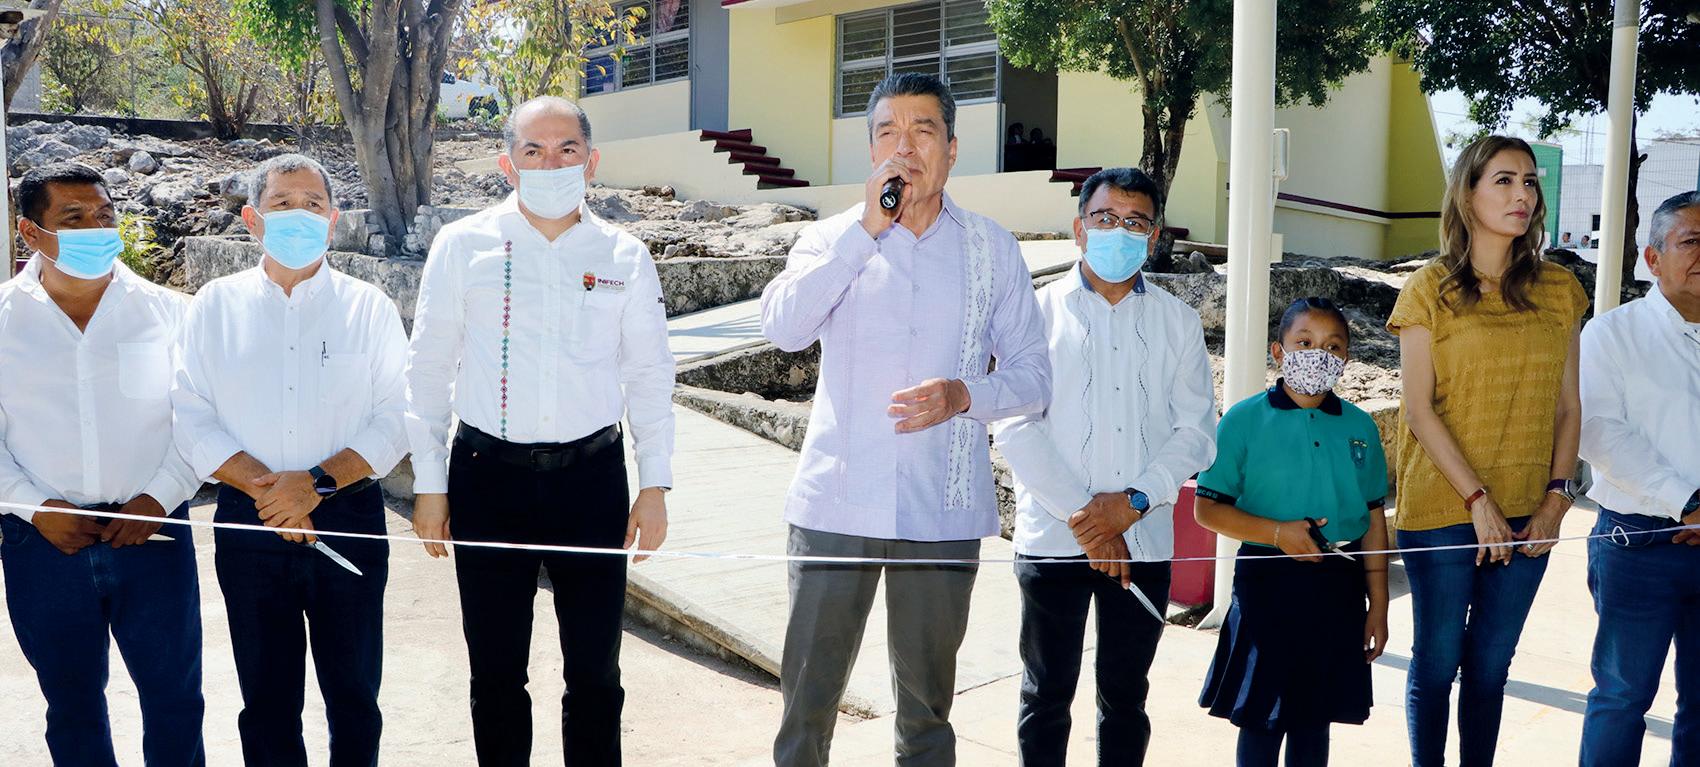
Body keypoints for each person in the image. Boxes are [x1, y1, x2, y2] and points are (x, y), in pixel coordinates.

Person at [761, 71, 1051, 767]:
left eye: (923, 131)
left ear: (951, 149)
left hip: (941, 509)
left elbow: (1035, 377)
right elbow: (784, 329)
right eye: (888, 132)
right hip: (837, 501)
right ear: (871, 150)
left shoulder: (992, 248)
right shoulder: (832, 237)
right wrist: (865, 230)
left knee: (926, 714)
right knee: (807, 705)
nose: (905, 147)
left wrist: (963, 394)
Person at [405, 95, 675, 766]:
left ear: (591, 160)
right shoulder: (461, 245)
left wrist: (655, 485)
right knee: (496, 672)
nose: (550, 164)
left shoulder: (624, 254)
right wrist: (430, 486)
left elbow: (648, 373)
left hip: (592, 482)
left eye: (566, 150)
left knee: (595, 672)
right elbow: (428, 369)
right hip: (486, 478)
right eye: (533, 151)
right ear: (507, 164)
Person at [172, 153, 409, 766]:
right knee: (267, 698)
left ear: (333, 219)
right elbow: (190, 411)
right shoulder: (214, 307)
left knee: (354, 693)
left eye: (312, 205)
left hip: (349, 518)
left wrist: (318, 484)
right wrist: (270, 492)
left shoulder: (369, 308)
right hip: (250, 522)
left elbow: (397, 415)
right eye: (281, 204)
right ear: (252, 219)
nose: (298, 215)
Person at [993, 166, 1216, 766]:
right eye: (1106, 218)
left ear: (1155, 235)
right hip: (1052, 541)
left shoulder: (1177, 321)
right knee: (1045, 695)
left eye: (1136, 222)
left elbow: (1196, 432)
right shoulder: (1034, 314)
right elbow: (1014, 423)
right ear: (1079, 228)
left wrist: (1132, 504)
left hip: (1143, 542)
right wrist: (1089, 521)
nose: (1120, 231)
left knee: (1125, 698)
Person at [1386, 135, 1588, 767]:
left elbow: (1568, 407)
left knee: (1491, 666)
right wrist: (1478, 500)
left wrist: (1556, 501)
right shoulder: (1428, 288)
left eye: (1529, 181)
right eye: (1504, 180)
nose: (1522, 193)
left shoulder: (1561, 289)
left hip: (1531, 510)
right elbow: (1418, 410)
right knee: (1437, 662)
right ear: (1467, 193)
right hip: (1443, 506)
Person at [0, 163, 205, 765]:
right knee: (72, 707)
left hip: (153, 537)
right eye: (74, 218)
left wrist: (158, 498)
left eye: (105, 215)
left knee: (174, 700)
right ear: (29, 232)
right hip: (44, 545)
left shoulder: (170, 313)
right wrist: (35, 509)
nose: (97, 228)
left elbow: (198, 422)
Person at [1193, 297, 1390, 767]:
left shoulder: (1361, 427)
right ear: (1279, 352)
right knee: (1261, 715)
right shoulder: (1243, 420)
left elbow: (1373, 518)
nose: (1319, 354)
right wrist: (1278, 533)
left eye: (1333, 346)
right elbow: (1207, 509)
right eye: (1305, 342)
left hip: (1337, 585)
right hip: (1266, 584)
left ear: (1345, 358)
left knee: (1315, 718)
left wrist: (1378, 604)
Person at [1577, 189, 1700, 765]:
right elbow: (1599, 432)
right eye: (1691, 241)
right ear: (1653, 258)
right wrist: (1688, 502)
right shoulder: (1611, 334)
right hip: (1638, 546)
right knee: (1622, 697)